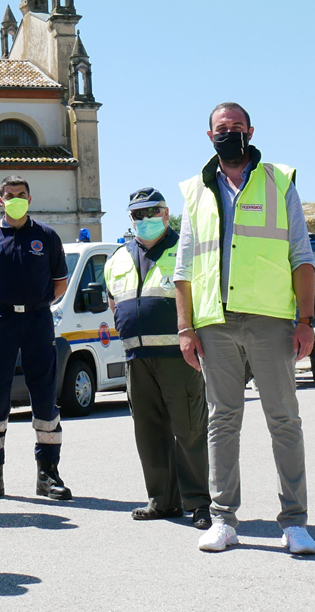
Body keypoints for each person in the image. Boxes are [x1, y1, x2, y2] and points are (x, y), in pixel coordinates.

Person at [174, 102, 315, 556]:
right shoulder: (196, 190)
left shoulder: (279, 181)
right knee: (222, 421)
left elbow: (302, 256)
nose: (230, 132)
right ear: (209, 134)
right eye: (223, 127)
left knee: (284, 420)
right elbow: (183, 269)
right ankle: (223, 520)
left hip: (272, 321)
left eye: (237, 126)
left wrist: (304, 320)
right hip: (215, 323)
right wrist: (185, 327)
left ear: (251, 131)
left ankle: (295, 523)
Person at [104, 187, 209, 529]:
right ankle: (161, 500)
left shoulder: (184, 250)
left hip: (178, 355)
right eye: (138, 214)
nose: (145, 220)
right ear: (130, 218)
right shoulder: (117, 258)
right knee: (148, 432)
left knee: (188, 429)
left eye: (152, 212)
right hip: (136, 357)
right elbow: (113, 302)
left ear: (166, 214)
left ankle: (198, 503)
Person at [0, 176, 71, 502]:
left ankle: (48, 475)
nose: (16, 199)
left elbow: (60, 283)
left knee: (44, 396)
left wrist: (34, 307)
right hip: (1, 321)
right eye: (10, 195)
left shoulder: (47, 236)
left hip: (39, 320)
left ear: (30, 198)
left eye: (21, 195)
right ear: (1, 200)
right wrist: (3, 309)